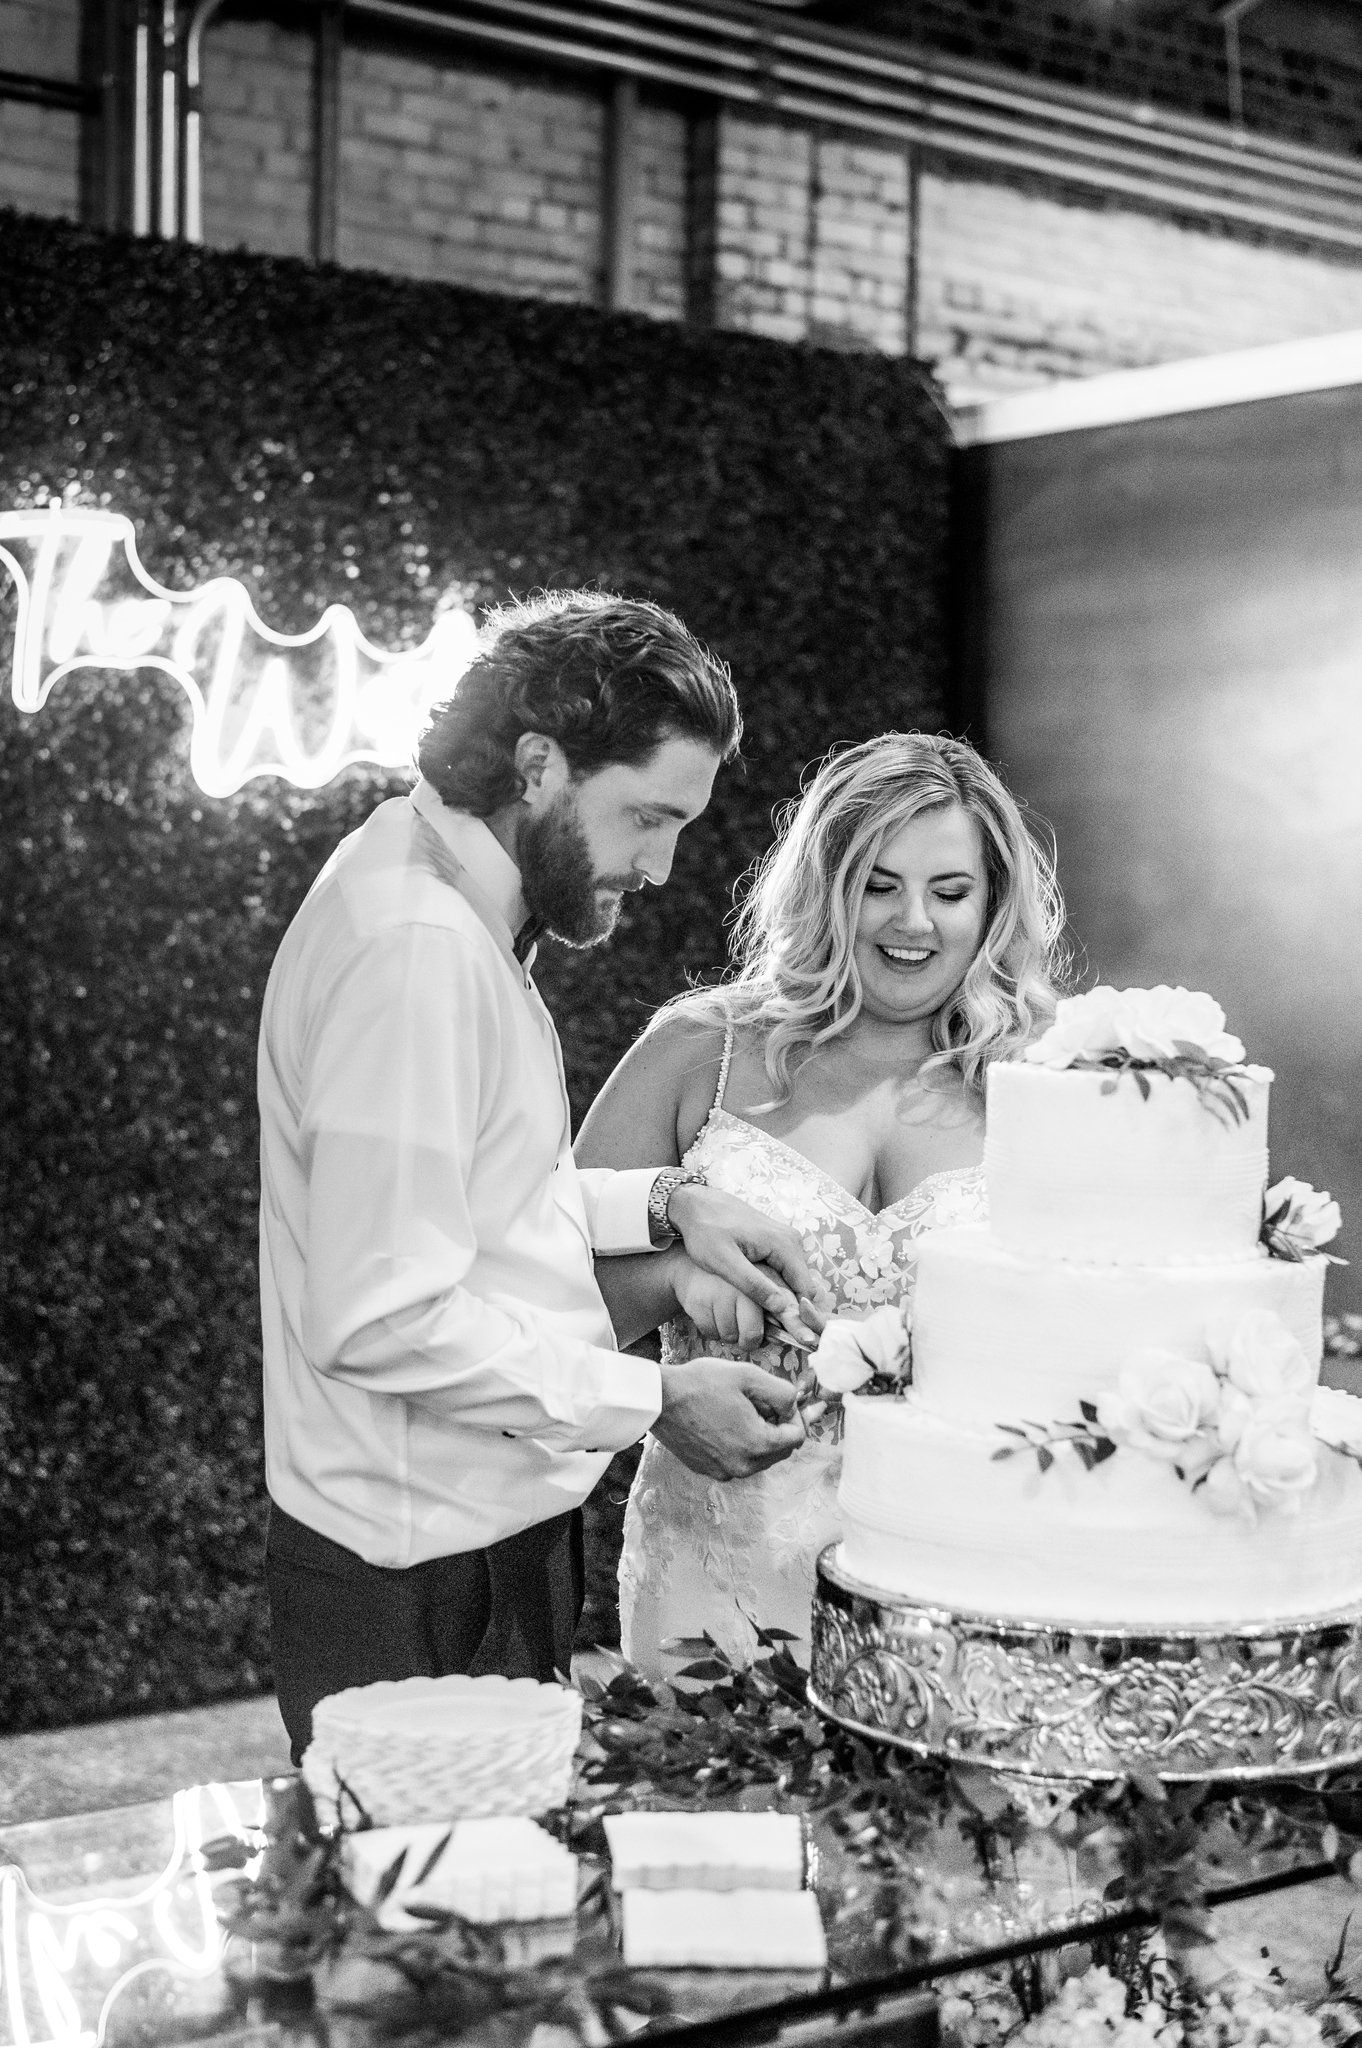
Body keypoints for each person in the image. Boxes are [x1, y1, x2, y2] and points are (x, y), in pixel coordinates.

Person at [257, 589, 822, 1763]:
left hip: (475, 1537)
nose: (662, 867)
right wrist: (656, 1402)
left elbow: (481, 1202)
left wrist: (664, 1202)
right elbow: (379, 1314)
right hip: (415, 1577)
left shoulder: (450, 896)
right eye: (646, 819)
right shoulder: (417, 952)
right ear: (537, 763)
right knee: (430, 1933)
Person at [575, 731, 1068, 1677]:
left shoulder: (1049, 1075)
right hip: (720, 1558)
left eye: (950, 891)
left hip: (973, 1573)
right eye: (878, 884)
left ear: (996, 903)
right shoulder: (699, 1051)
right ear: (825, 888)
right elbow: (549, 1298)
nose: (912, 922)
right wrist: (675, 1292)